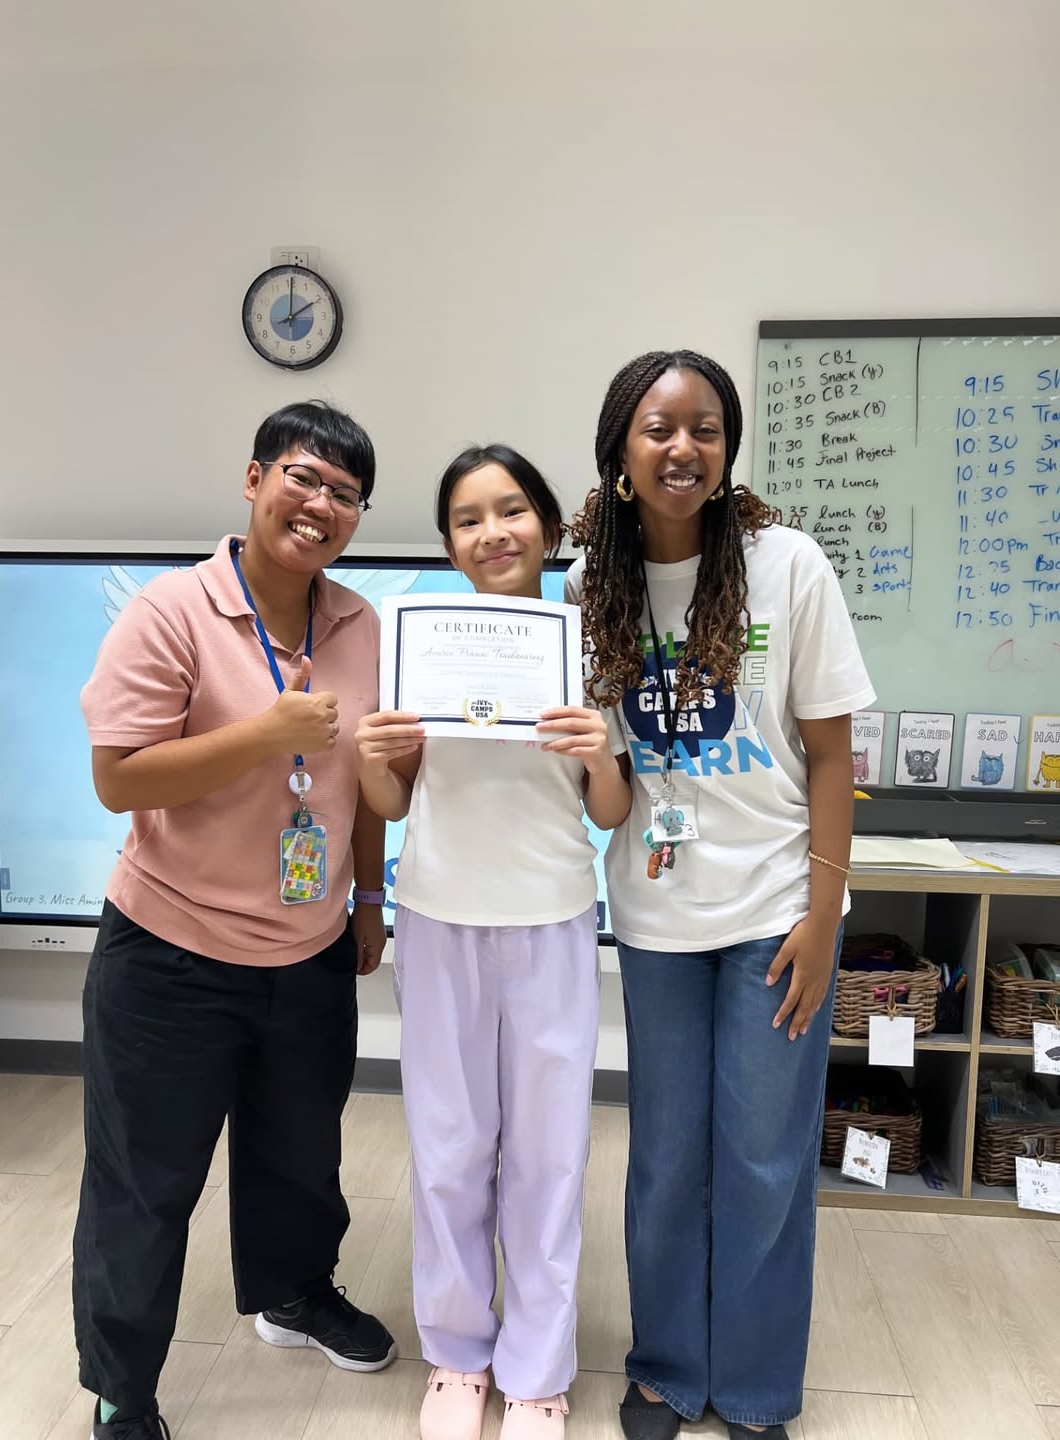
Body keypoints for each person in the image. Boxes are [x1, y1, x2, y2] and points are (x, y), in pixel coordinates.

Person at [73, 400, 397, 1440]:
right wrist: (266, 732)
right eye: (303, 477)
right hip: (170, 954)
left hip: (308, 951)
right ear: (254, 480)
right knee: (144, 1184)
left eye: (346, 493)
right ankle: (123, 1389)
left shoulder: (359, 626)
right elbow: (120, 779)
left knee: (300, 1157)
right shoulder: (170, 611)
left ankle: (294, 1294)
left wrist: (370, 898)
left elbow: (357, 783)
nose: (321, 505)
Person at [567, 351, 875, 1440]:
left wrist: (824, 917)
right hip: (656, 917)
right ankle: (664, 1367)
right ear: (620, 452)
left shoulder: (787, 565)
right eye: (658, 429)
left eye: (705, 428)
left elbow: (832, 756)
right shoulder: (588, 588)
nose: (683, 448)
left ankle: (751, 1386)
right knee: (664, 1158)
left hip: (775, 912)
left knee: (763, 1158)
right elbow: (606, 781)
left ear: (728, 448)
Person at [355, 445, 632, 1440]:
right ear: (447, 545)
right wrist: (373, 757)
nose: (492, 533)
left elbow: (611, 809)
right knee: (448, 1147)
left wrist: (600, 754)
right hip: (439, 916)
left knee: (551, 1155)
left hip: (552, 918)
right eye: (468, 519)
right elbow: (391, 801)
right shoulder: (414, 647)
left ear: (549, 527)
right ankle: (458, 1354)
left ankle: (539, 1371)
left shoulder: (590, 646)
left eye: (511, 511)